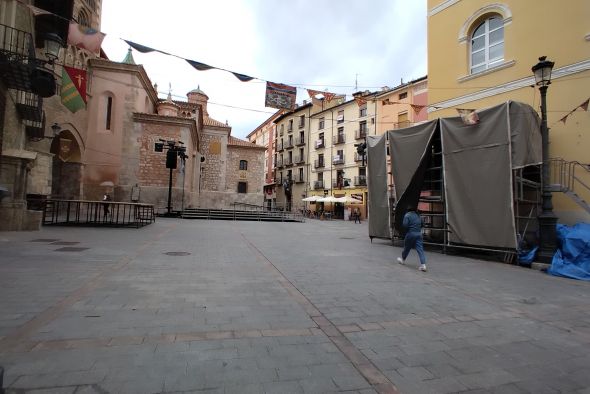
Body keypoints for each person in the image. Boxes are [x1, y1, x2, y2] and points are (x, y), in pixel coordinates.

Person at [397, 207, 427, 272]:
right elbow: (423, 224)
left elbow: (405, 225)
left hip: (410, 234)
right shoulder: (418, 215)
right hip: (419, 234)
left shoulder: (407, 215)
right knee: (420, 250)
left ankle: (403, 259)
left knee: (407, 248)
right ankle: (423, 265)